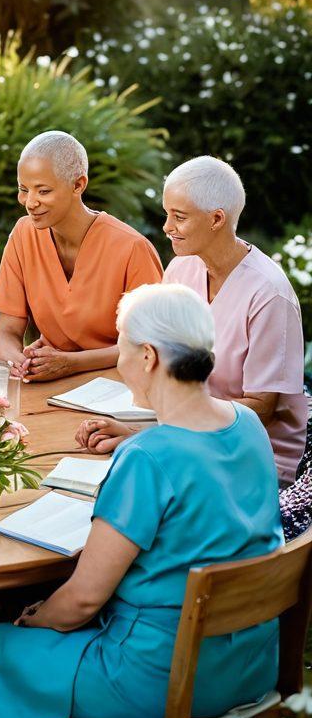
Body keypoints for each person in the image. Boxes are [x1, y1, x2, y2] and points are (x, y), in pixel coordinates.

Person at [0, 283, 282, 718]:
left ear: (148, 357)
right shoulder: (246, 426)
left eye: (122, 346)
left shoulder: (147, 459)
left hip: (158, 679)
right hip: (248, 663)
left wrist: (35, 619)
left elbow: (81, 601)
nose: (120, 359)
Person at [77, 156, 306, 484]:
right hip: (185, 433)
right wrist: (143, 431)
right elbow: (169, 375)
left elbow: (260, 409)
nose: (167, 227)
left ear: (216, 219)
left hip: (252, 456)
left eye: (179, 217)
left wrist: (154, 441)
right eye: (167, 213)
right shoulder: (181, 269)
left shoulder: (270, 294)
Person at [0, 131, 162, 382]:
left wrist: (72, 364)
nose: (30, 202)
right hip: (50, 382)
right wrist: (20, 362)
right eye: (23, 189)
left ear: (78, 185)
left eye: (43, 191)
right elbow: (5, 332)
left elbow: (150, 344)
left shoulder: (133, 249)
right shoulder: (24, 234)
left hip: (121, 386)